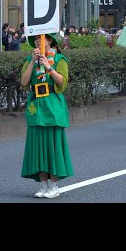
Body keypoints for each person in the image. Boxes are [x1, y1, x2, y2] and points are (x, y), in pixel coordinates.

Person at [20, 33, 73, 198]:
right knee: (38, 146)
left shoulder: (59, 60)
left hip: (53, 105)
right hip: (36, 106)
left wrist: (49, 67)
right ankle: (43, 186)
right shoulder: (30, 60)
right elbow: (24, 82)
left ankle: (54, 186)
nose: (37, 41)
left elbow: (62, 83)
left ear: (49, 41)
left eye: (41, 38)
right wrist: (32, 61)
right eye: (35, 39)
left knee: (52, 146)